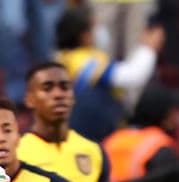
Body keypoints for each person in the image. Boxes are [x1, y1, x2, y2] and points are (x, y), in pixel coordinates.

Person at [54, 5, 164, 143]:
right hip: (90, 132)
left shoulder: (65, 57)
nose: (99, 31)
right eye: (94, 27)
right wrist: (149, 48)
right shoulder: (82, 62)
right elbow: (132, 76)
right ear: (83, 35)